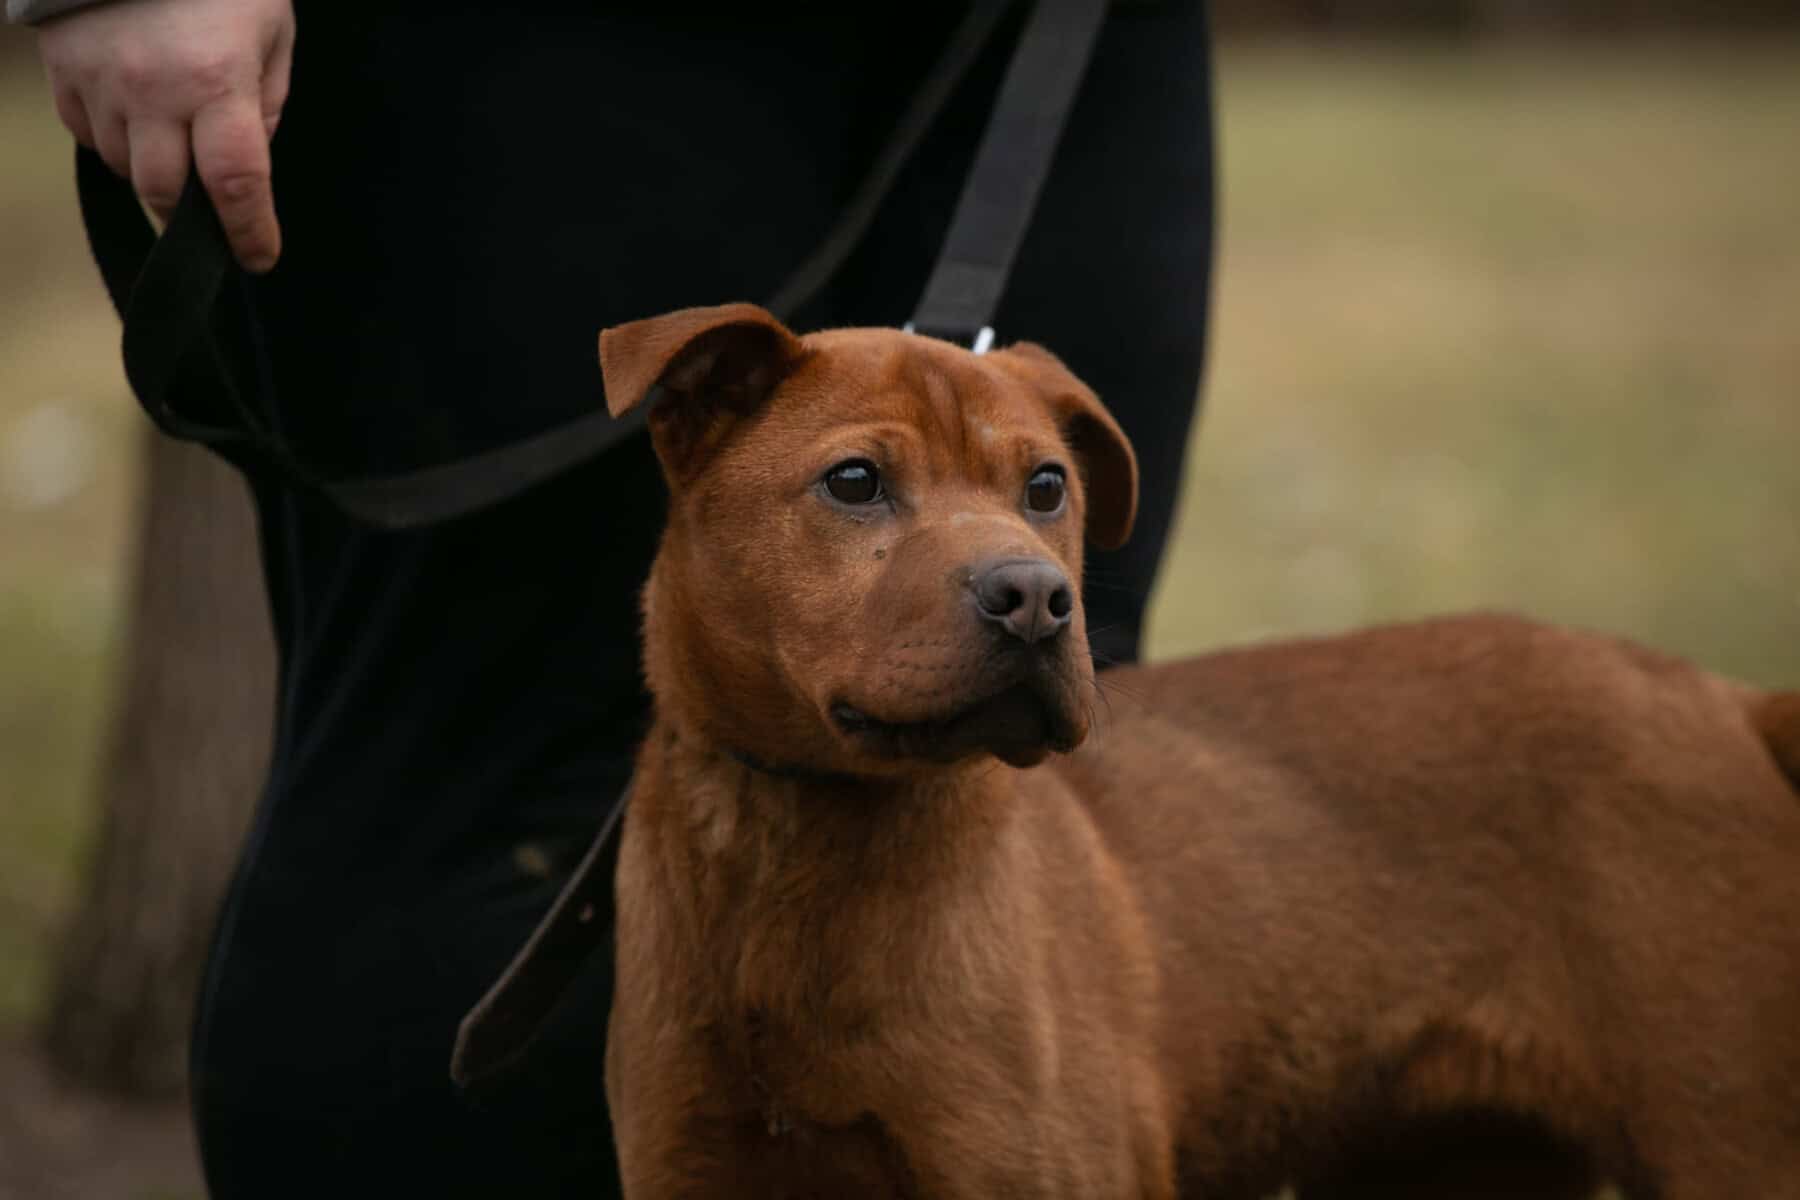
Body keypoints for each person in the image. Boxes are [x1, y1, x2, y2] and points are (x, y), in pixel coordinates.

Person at [17, 0, 1216, 1193]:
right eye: (860, 484)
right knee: (465, 786)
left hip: (1058, 34)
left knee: (1016, 795)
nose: (1031, 575)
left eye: (1047, 495)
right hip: (542, 62)